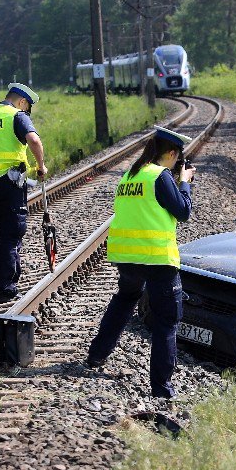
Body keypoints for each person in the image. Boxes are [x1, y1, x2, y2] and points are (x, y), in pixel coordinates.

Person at [86, 126, 196, 399]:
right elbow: (183, 212)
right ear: (171, 154)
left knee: (124, 300)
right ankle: (161, 388)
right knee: (167, 321)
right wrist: (185, 182)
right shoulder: (160, 176)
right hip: (157, 258)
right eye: (177, 159)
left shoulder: (129, 175)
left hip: (128, 256)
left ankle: (97, 355)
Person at [0, 83, 48, 304]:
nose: (26, 111)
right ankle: (7, 290)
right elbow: (33, 140)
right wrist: (41, 165)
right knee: (11, 236)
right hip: (11, 185)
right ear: (22, 102)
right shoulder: (16, 116)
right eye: (27, 107)